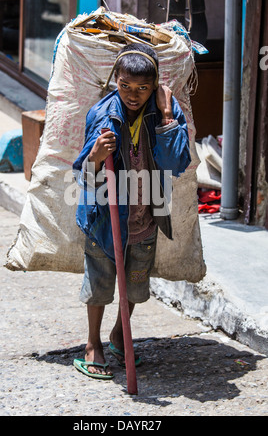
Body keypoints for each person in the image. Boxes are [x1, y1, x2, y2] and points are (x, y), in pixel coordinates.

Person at [72, 43, 191, 379]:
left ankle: (118, 335)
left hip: (145, 217)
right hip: (105, 220)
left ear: (155, 86)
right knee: (100, 283)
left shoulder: (165, 110)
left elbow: (175, 163)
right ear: (116, 80)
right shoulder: (103, 114)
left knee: (136, 284)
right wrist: (95, 156)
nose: (133, 95)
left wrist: (167, 116)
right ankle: (93, 343)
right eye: (125, 86)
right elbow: (83, 176)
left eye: (143, 88)